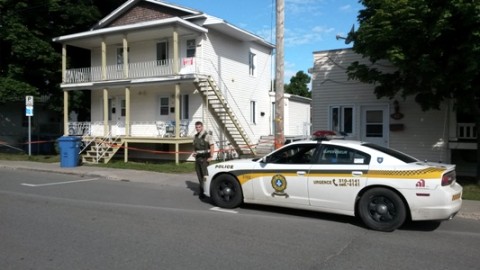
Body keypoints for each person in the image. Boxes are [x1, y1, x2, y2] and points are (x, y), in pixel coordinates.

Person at [192, 121, 215, 198]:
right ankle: (202, 190)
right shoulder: (195, 136)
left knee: (205, 176)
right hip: (198, 158)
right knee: (199, 175)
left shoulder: (207, 136)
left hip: (205, 158)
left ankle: (208, 191)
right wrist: (194, 153)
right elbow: (195, 148)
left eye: (199, 127)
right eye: (196, 127)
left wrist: (211, 156)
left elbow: (212, 146)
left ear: (202, 127)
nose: (198, 129)